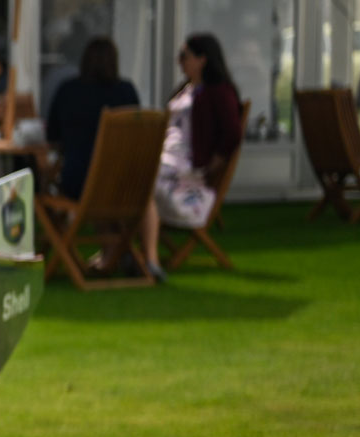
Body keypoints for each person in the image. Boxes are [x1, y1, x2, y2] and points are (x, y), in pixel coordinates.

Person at [135, 33, 243, 283]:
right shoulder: (186, 88)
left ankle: (147, 258)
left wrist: (213, 163)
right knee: (126, 175)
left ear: (202, 59)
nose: (179, 61)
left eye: (184, 55)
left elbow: (233, 132)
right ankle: (125, 253)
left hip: (185, 165)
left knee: (136, 179)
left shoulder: (218, 92)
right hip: (166, 157)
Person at [45, 36, 140, 200]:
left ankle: (62, 221)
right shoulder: (126, 91)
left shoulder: (69, 90)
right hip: (121, 183)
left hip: (79, 181)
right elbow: (136, 137)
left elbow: (53, 136)